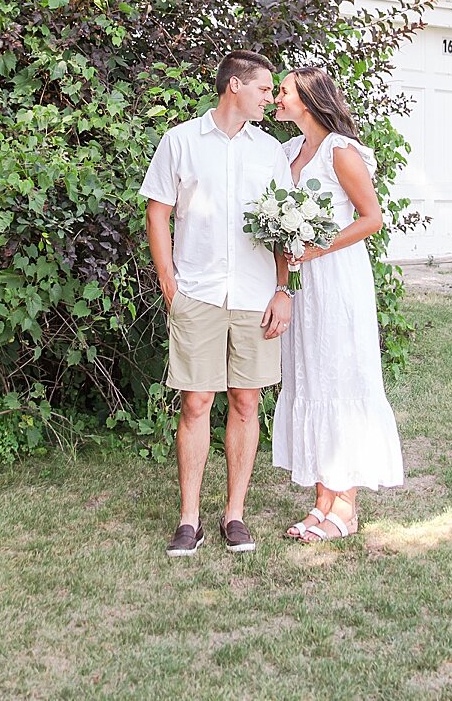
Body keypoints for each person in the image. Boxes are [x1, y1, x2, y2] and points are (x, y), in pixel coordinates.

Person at [140, 49, 296, 556]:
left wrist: (282, 288)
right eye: (264, 89)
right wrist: (168, 279)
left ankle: (234, 514)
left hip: (254, 294)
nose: (270, 98)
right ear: (235, 86)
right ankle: (189, 519)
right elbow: (158, 212)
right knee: (196, 401)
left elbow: (283, 226)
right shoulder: (180, 141)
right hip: (199, 292)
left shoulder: (269, 151)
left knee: (247, 402)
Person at [270, 65, 405, 540]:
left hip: (338, 277)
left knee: (341, 375)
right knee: (311, 376)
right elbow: (280, 228)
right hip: (303, 284)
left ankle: (346, 507)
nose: (275, 98)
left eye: (282, 91)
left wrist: (316, 247)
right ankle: (321, 501)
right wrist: (284, 280)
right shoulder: (287, 153)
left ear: (306, 98)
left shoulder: (339, 151)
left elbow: (372, 218)